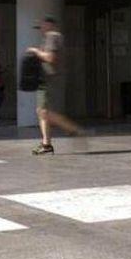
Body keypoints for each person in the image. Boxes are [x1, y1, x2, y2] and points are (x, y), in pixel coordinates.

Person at [25, 16, 83, 155]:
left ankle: (72, 129)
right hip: (47, 79)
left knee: (44, 112)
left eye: (42, 26)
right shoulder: (51, 37)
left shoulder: (52, 36)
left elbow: (50, 58)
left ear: (49, 25)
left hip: (50, 80)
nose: (41, 29)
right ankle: (46, 144)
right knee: (42, 112)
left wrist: (35, 51)